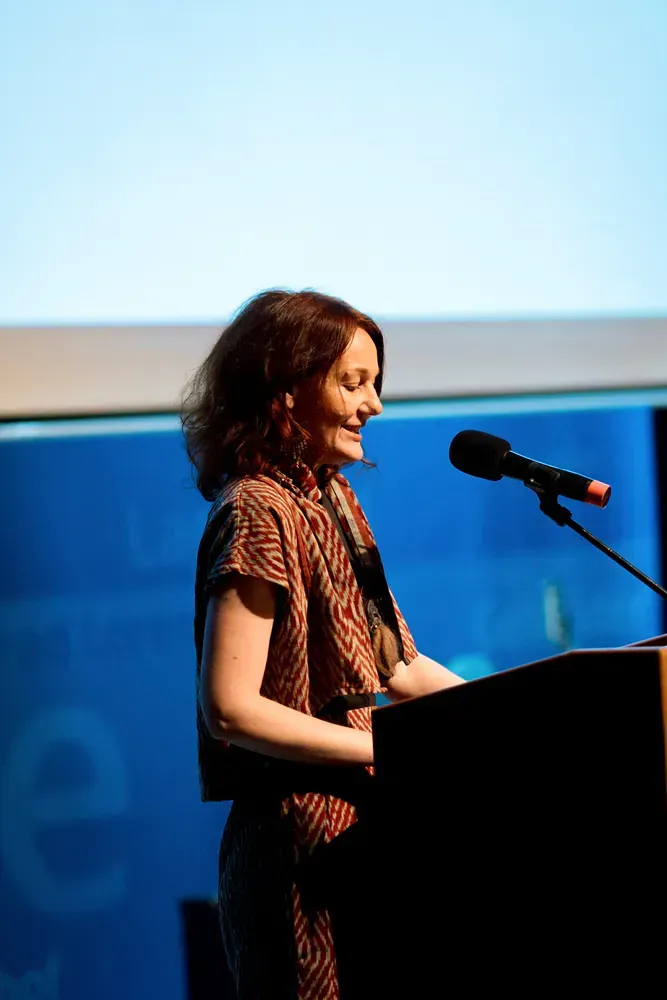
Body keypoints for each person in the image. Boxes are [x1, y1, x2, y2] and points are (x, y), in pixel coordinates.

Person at [182, 289, 463, 1000]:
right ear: (283, 389)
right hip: (295, 850)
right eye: (352, 383)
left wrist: (501, 717)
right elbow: (231, 709)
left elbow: (396, 666)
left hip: (362, 838)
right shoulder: (256, 510)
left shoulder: (332, 497)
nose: (373, 406)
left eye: (375, 385)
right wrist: (390, 749)